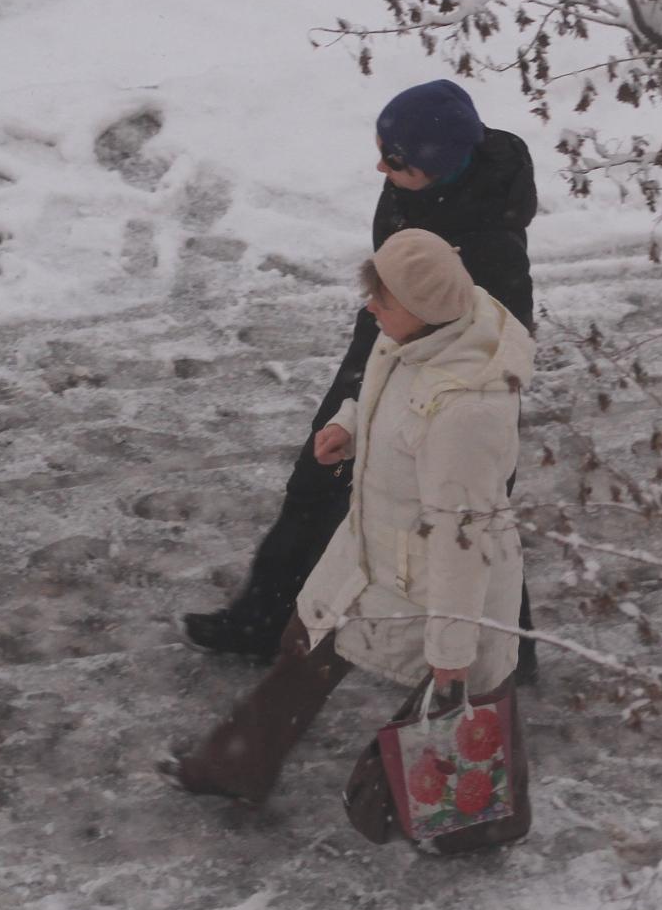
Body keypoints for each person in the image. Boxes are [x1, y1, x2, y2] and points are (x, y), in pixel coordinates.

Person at [165, 230, 533, 846]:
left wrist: (451, 648)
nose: (370, 311)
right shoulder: (422, 334)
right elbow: (392, 395)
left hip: (437, 584)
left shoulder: (467, 414)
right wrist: (349, 425)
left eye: (381, 301)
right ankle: (233, 765)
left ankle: (480, 830)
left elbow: (460, 537)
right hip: (373, 554)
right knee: (304, 646)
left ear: (420, 309)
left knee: (470, 700)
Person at [180, 80, 540, 678]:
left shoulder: (489, 246)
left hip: (435, 377)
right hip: (384, 342)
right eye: (381, 150)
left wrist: (402, 404)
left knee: (465, 513)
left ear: (439, 166)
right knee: (324, 480)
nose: (380, 166)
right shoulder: (421, 184)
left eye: (395, 161)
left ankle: (502, 655)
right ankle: (264, 620)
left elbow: (493, 345)